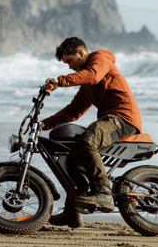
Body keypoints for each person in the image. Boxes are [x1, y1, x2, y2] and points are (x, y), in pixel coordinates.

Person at [40, 37, 142, 228]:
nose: (70, 67)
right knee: (70, 159)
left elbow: (93, 75)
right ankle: (72, 212)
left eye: (69, 61)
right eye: (66, 64)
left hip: (123, 117)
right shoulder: (87, 84)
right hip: (108, 120)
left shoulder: (101, 58)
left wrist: (60, 81)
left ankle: (104, 193)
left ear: (80, 53)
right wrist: (44, 124)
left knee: (88, 141)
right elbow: (73, 111)